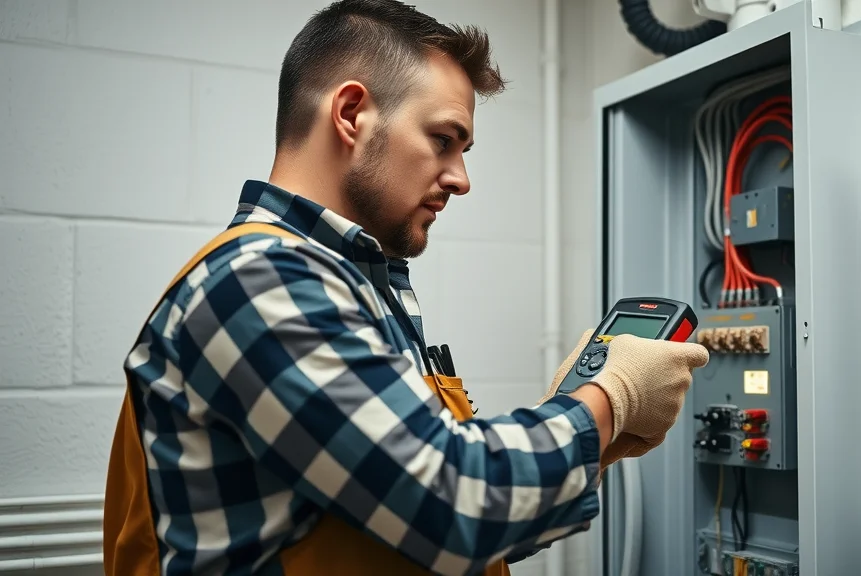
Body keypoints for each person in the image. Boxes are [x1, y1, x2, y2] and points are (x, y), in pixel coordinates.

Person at [101, 1, 710, 574]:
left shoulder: (347, 283)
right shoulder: (260, 282)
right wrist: (610, 399)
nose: (461, 179)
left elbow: (416, 523)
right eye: (443, 140)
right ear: (350, 114)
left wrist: (590, 441)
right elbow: (454, 503)